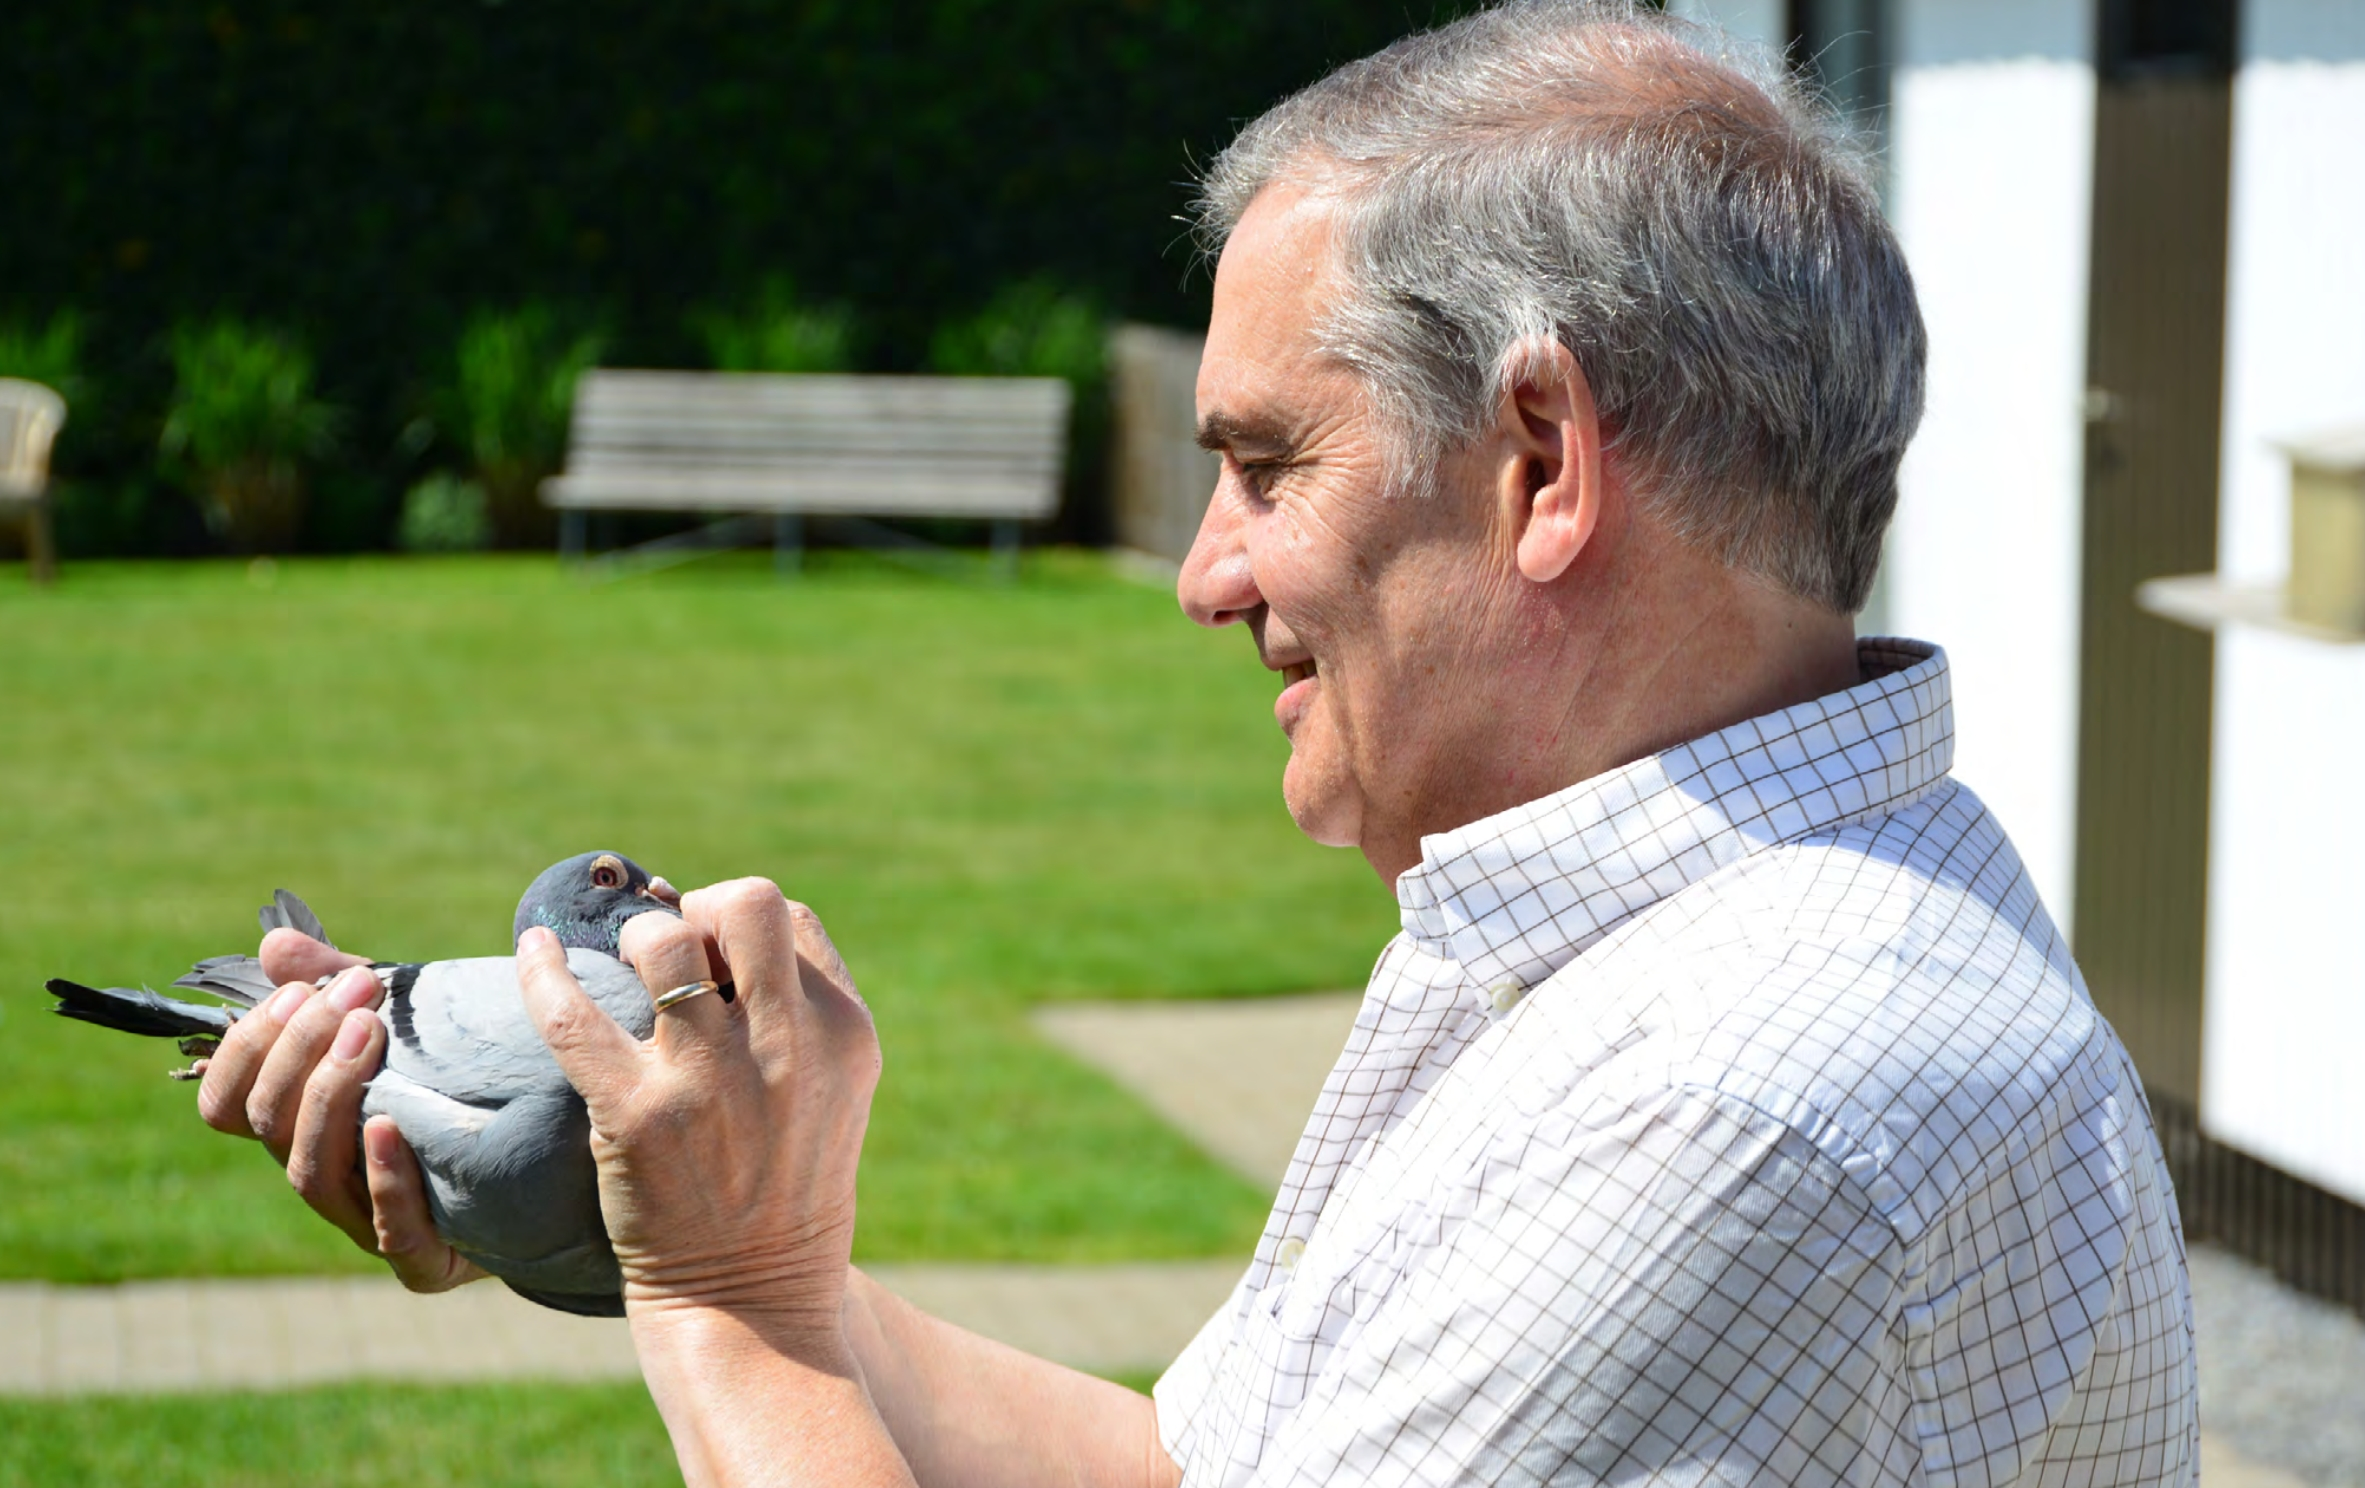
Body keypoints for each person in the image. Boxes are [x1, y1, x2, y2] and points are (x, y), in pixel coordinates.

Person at [192, 2, 2198, 1483]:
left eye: (1266, 463)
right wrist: (656, 1233)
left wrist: (734, 1310)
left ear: (1541, 462)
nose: (1202, 573)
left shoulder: (1733, 1107)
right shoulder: (1663, 956)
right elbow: (1188, 1468)